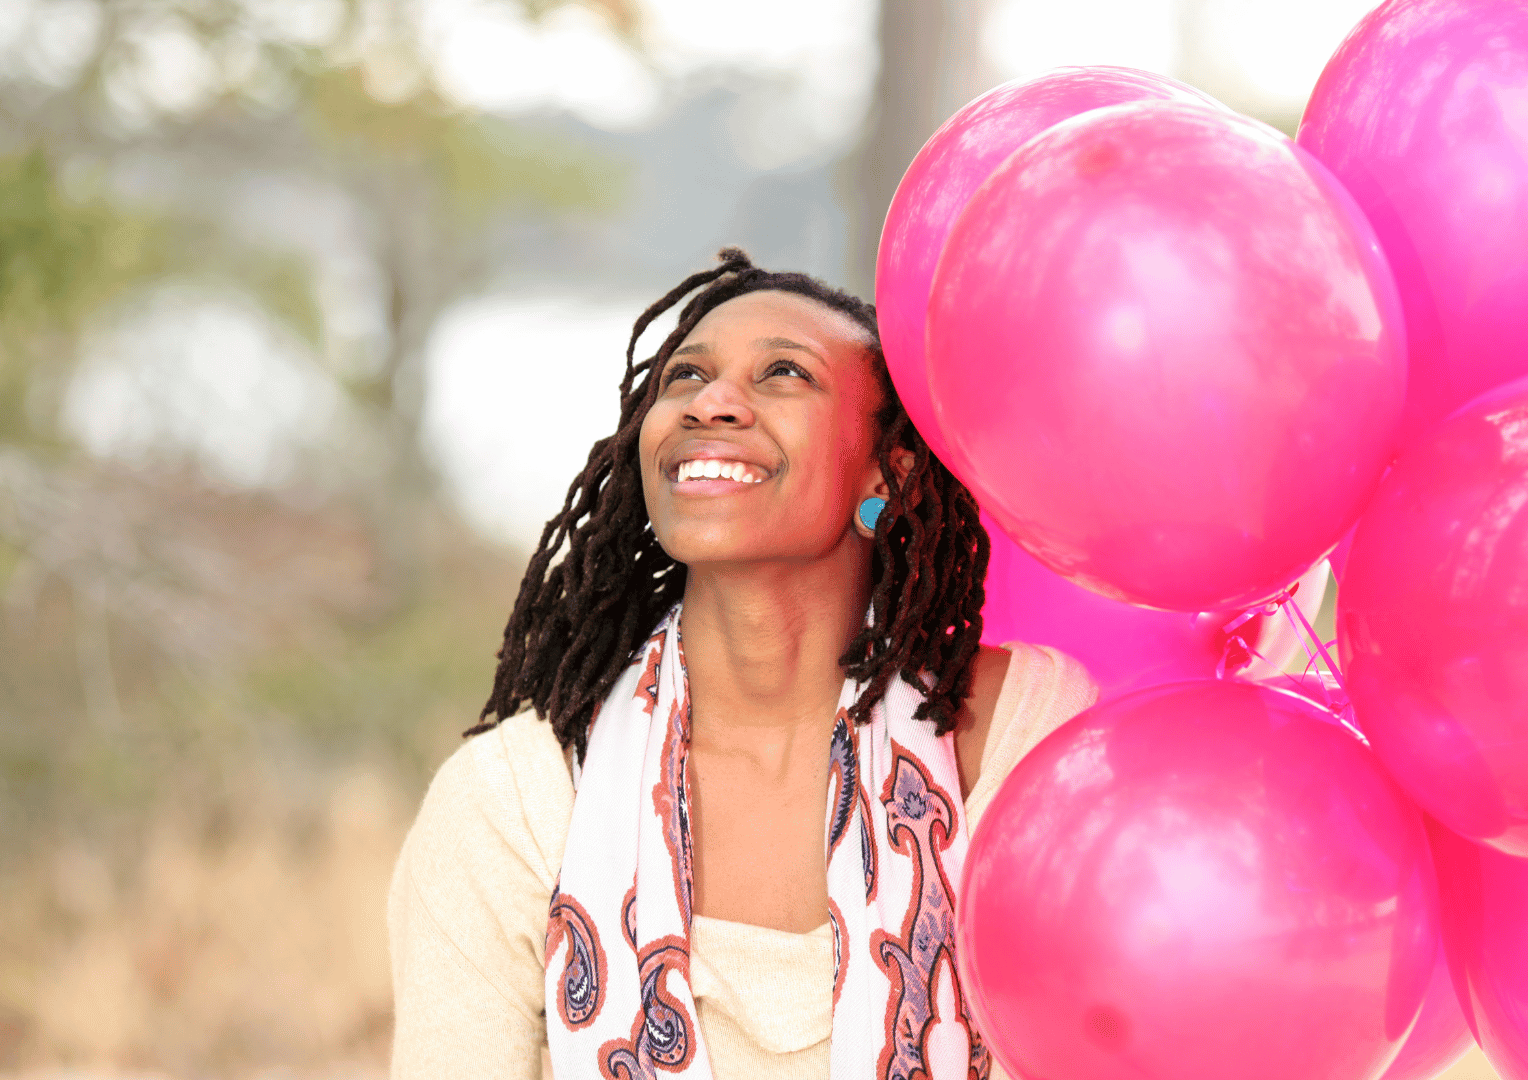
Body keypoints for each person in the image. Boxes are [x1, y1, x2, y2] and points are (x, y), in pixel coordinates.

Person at [387, 248, 1099, 1080]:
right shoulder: (518, 798)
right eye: (685, 376)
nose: (712, 402)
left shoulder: (1025, 737)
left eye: (784, 374)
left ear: (892, 472)